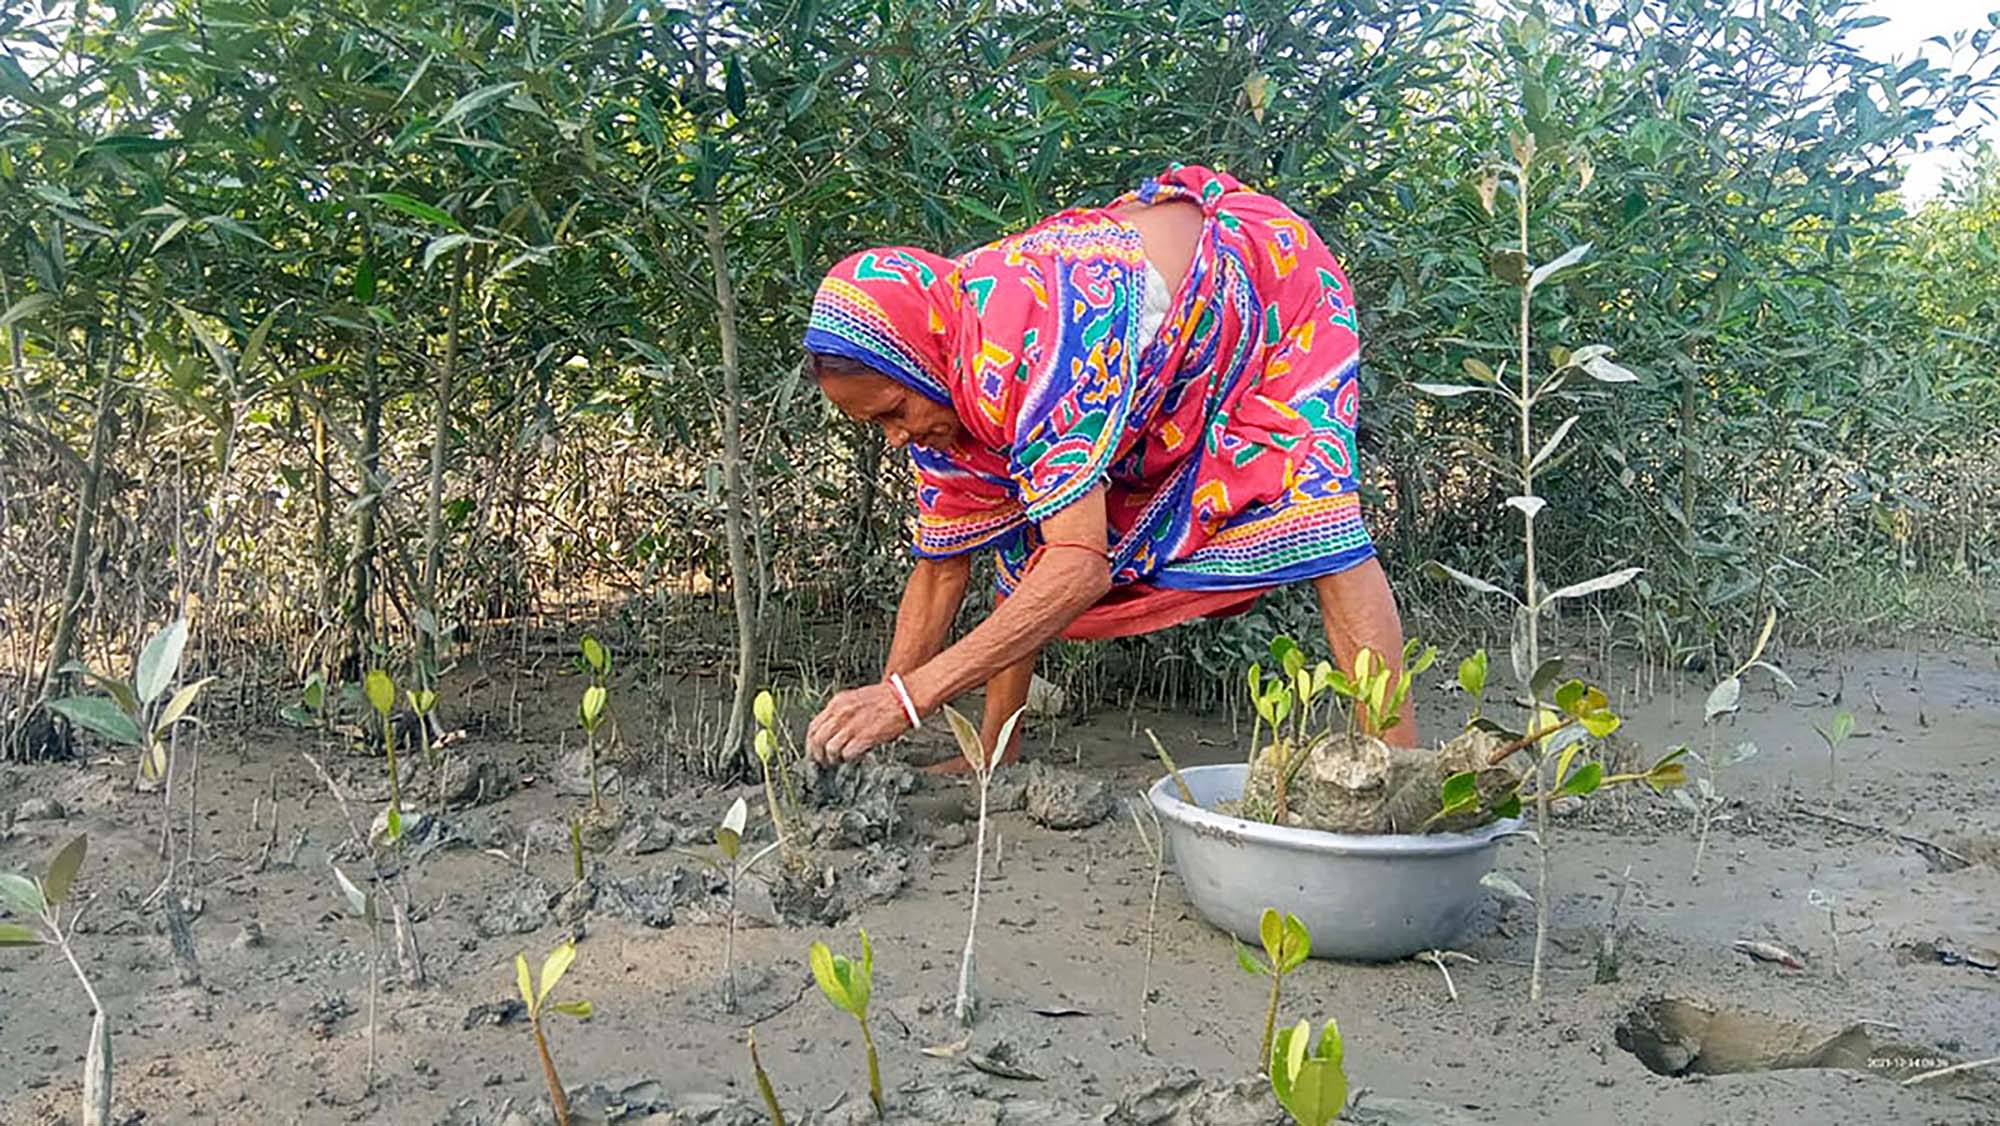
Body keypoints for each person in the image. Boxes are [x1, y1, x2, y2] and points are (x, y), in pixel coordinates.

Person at [801, 164, 1413, 768]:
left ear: (918, 361)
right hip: (1136, 349)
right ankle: (994, 753)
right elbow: (940, 570)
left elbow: (1077, 567)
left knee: (1317, 507)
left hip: (1265, 283)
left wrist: (908, 700)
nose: (899, 435)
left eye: (895, 412)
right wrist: (875, 719)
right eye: (877, 425)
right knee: (1021, 528)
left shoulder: (1024, 346)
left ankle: (1399, 763)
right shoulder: (936, 374)